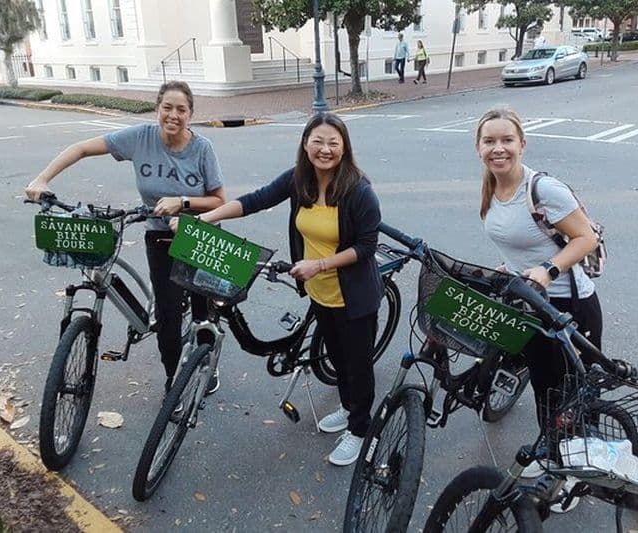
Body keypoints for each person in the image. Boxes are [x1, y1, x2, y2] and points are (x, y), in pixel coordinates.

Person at [184, 113, 382, 467]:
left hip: (354, 297)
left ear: (344, 147)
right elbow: (255, 200)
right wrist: (205, 219)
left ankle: (360, 429)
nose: (325, 149)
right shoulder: (299, 181)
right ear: (305, 144)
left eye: (333, 143)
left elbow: (367, 246)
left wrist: (318, 264)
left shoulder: (358, 191)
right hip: (320, 294)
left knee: (358, 365)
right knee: (337, 358)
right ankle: (349, 407)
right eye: (318, 142)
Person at [24, 80, 226, 399]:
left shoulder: (202, 148)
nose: (173, 115)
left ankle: (207, 361)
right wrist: (43, 178)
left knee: (201, 308)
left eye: (181, 109)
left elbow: (219, 201)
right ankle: (174, 378)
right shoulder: (140, 138)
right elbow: (81, 148)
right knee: (168, 316)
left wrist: (182, 202)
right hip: (159, 234)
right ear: (158, 109)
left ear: (190, 114)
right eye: (167, 107)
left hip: (197, 231)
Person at [474, 106, 602, 499]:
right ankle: (555, 452)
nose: (499, 148)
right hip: (530, 303)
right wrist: (509, 268)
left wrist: (547, 269)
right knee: (546, 389)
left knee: (572, 393)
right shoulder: (492, 187)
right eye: (490, 141)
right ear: (479, 148)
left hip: (568, 307)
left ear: (522, 144)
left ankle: (576, 474)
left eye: (507, 140)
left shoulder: (544, 190)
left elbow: (586, 238)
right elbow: (519, 241)